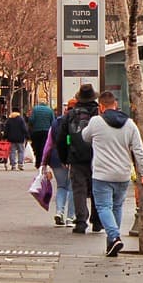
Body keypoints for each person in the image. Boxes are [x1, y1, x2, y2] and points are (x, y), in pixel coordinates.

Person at [80, 91, 143, 257]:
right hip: (123, 174)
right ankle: (111, 244)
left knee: (104, 207)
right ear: (116, 105)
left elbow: (84, 136)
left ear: (101, 107)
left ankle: (114, 237)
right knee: (117, 207)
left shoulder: (96, 121)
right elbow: (139, 151)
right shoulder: (130, 124)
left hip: (102, 174)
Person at [58, 84, 103, 234]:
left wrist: (64, 157)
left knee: (79, 189)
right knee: (97, 188)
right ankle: (97, 222)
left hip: (76, 156)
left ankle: (81, 221)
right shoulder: (99, 113)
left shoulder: (70, 115)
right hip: (97, 156)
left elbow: (63, 137)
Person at [41, 100, 75, 226]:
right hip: (73, 157)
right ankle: (70, 218)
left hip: (56, 157)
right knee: (72, 188)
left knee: (61, 186)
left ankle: (59, 212)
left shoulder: (57, 122)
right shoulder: (79, 121)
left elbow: (49, 143)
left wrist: (44, 162)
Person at [28, 99, 55, 167]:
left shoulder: (35, 109)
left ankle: (37, 162)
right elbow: (53, 121)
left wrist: (32, 126)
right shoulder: (49, 110)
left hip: (36, 131)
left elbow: (31, 120)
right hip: (46, 131)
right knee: (44, 147)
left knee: (37, 147)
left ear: (39, 103)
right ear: (46, 103)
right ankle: (44, 162)